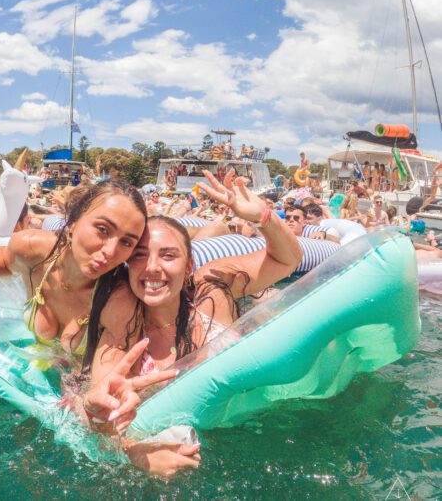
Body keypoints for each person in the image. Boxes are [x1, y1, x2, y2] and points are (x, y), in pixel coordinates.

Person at [80, 170, 301, 475]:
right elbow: (98, 415)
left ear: (189, 266)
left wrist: (262, 215)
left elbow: (287, 261)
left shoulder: (212, 290)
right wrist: (134, 453)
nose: (153, 268)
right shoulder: (125, 327)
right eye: (141, 256)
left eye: (168, 255)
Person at [0, 180, 148, 359]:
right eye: (103, 230)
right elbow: (6, 257)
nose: (111, 251)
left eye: (127, 242)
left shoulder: (119, 301)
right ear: (73, 222)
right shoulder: (33, 249)